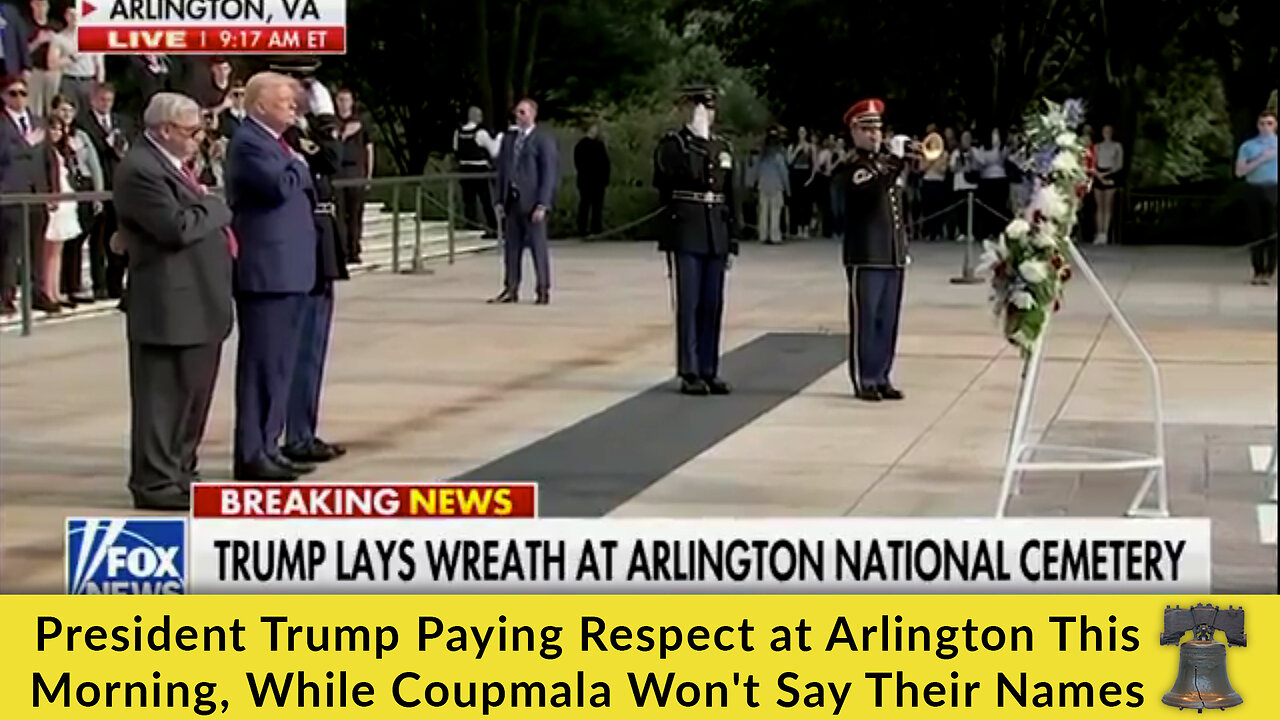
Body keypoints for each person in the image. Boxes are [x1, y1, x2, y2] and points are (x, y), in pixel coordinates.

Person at [113, 92, 235, 510]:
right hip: (168, 307)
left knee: (192, 398)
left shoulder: (174, 166)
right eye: (191, 131)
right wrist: (216, 208)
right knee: (162, 402)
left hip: (198, 303)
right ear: (164, 130)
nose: (198, 139)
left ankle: (180, 472)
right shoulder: (142, 169)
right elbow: (175, 227)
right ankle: (155, 483)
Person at [226, 71, 319, 481]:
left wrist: (296, 164)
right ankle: (251, 452)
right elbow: (278, 185)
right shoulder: (249, 142)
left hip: (291, 271)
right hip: (268, 273)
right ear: (260, 103)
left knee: (281, 366)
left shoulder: (278, 142)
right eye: (284, 99)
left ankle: (268, 442)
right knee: (262, 367)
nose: (292, 106)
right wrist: (299, 166)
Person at [277, 58, 349, 464]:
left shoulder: (300, 130)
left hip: (321, 247)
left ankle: (303, 430)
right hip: (302, 250)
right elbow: (333, 160)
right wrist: (324, 117)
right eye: (303, 82)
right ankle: (291, 434)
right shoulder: (286, 132)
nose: (310, 89)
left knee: (314, 348)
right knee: (298, 349)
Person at [652, 84, 737, 395]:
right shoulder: (674, 145)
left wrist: (732, 239)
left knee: (713, 304)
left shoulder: (723, 146)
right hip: (687, 231)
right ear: (687, 110)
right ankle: (689, 370)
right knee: (689, 303)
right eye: (700, 107)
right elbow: (673, 180)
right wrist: (697, 140)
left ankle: (709, 368)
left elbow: (730, 194)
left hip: (716, 231)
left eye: (709, 108)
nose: (706, 113)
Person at [842, 98, 908, 402]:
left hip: (891, 252)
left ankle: (882, 374)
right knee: (866, 319)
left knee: (888, 319)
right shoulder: (856, 165)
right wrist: (895, 161)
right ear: (855, 131)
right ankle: (864, 377)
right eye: (868, 130)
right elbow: (871, 192)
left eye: (878, 130)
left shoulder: (883, 164)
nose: (875, 136)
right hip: (866, 253)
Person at [489, 97, 558, 304]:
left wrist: (543, 203)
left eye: (523, 112)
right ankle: (511, 288)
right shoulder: (509, 140)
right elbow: (502, 170)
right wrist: (499, 200)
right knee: (512, 249)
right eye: (517, 113)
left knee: (538, 248)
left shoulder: (542, 140)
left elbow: (548, 174)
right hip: (512, 201)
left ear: (533, 114)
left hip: (532, 202)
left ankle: (543, 288)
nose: (518, 116)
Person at [0, 73, 56, 315]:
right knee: (10, 249)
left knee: (36, 246)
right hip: (11, 193)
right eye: (13, 93)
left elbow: (49, 159)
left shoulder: (38, 122)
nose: (20, 98)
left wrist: (53, 192)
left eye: (23, 93)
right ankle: (6, 295)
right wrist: (26, 144)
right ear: (3, 96)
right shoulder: (1, 123)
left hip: (37, 193)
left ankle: (36, 292)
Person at [1236, 109, 1278, 285]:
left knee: (1272, 232)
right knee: (1256, 231)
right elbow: (1239, 172)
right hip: (1254, 189)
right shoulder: (1248, 146)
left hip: (1274, 188)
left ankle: (1269, 271)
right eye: (1262, 123)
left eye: (1269, 123)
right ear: (1257, 125)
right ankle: (1258, 270)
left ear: (1275, 125)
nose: (1265, 127)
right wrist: (1262, 159)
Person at [454, 105, 500, 238]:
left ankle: (470, 224)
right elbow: (493, 151)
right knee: (486, 200)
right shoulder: (481, 133)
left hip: (464, 169)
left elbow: (456, 150)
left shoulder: (458, 132)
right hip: (480, 169)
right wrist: (499, 139)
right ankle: (493, 227)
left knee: (468, 199)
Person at [574, 123, 610, 236]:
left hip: (591, 180)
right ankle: (589, 228)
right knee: (590, 205)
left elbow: (605, 163)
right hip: (591, 180)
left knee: (592, 205)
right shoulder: (588, 145)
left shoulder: (586, 145)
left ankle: (591, 228)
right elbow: (605, 163)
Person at [1092, 124, 1124, 245]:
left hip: (1111, 172)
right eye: (1105, 131)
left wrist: (1108, 174)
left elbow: (1119, 164)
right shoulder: (1097, 147)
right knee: (1099, 206)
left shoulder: (1117, 146)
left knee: (1108, 205)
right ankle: (1099, 232)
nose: (1107, 133)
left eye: (1109, 131)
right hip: (1098, 173)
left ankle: (1105, 233)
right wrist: (1098, 175)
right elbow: (1092, 163)